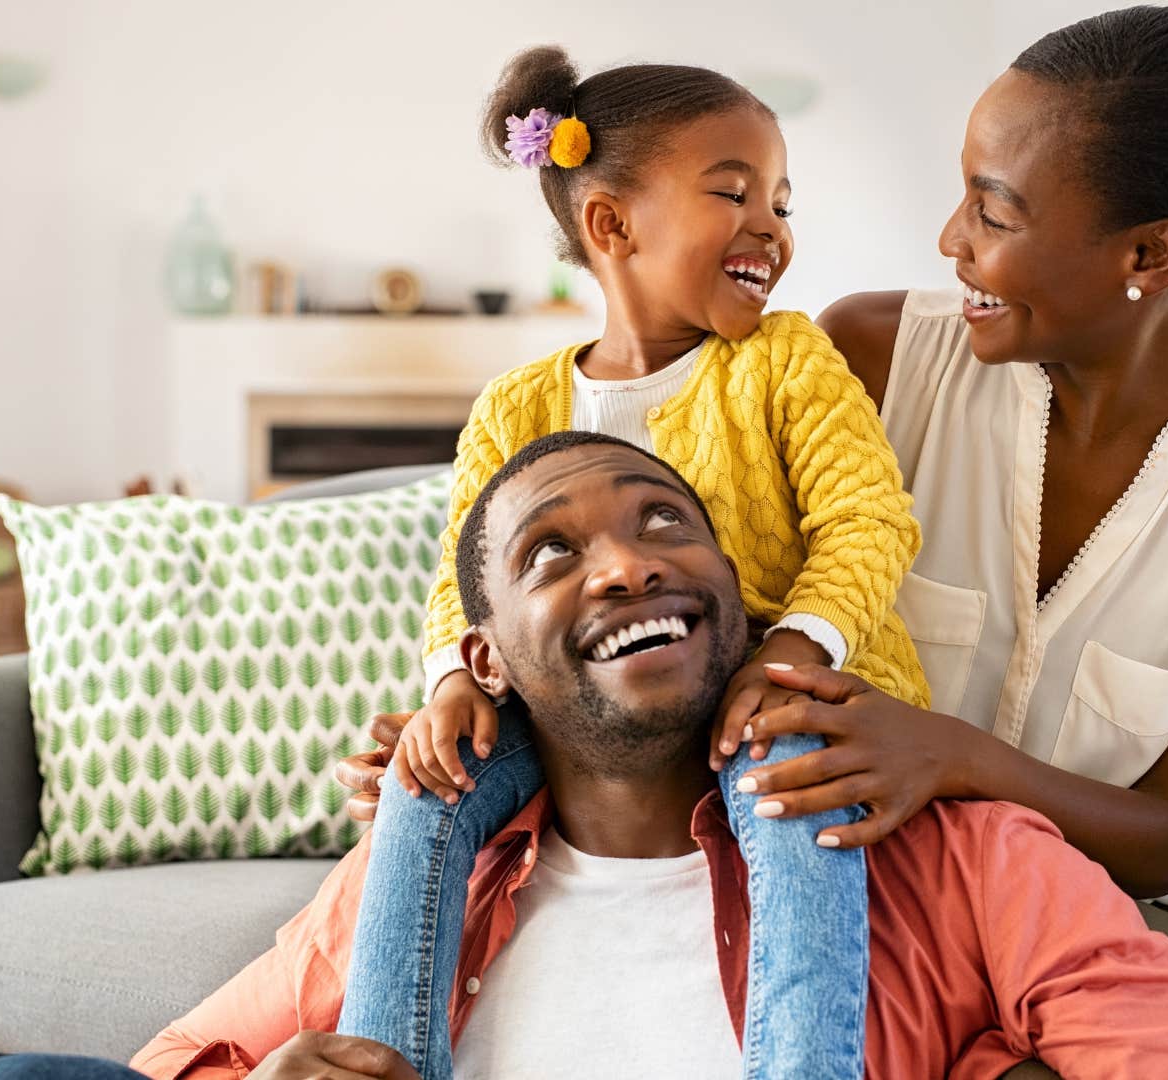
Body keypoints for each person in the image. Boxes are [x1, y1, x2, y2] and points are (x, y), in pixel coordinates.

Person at [345, 3, 1168, 1029]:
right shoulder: (873, 353)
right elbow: (653, 592)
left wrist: (949, 753)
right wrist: (506, 703)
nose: (949, 239)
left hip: (1099, 918)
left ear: (1149, 257)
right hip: (846, 886)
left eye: (994, 211)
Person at [38, 431, 1168, 1080]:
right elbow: (170, 1061)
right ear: (485, 659)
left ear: (741, 600)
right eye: (552, 556)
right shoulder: (418, 881)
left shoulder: (967, 857)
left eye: (664, 522)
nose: (625, 564)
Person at [345, 47, 929, 1080]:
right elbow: (462, 576)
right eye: (733, 192)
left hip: (773, 693)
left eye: (782, 202)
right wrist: (449, 683)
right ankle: (383, 1058)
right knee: (422, 787)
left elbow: (868, 521)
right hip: (585, 721)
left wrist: (789, 652)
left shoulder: (787, 359)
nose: (772, 227)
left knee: (786, 783)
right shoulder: (514, 407)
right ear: (612, 225)